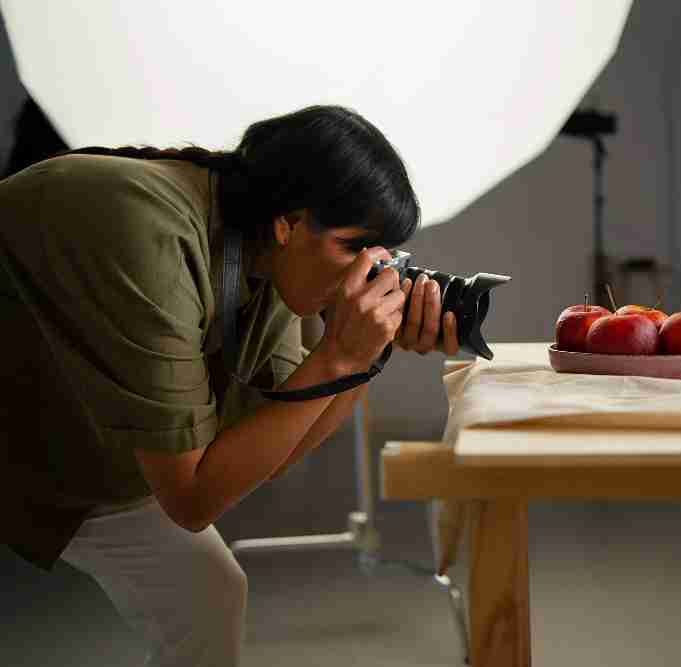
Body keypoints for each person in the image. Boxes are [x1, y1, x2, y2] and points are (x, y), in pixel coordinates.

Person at [0, 104, 459, 666]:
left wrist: (364, 357)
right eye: (353, 246)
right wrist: (338, 356)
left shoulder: (269, 258)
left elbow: (273, 445)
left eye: (381, 253)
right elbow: (194, 498)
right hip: (29, 415)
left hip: (68, 428)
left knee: (207, 594)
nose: (370, 271)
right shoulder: (150, 233)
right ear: (289, 223)